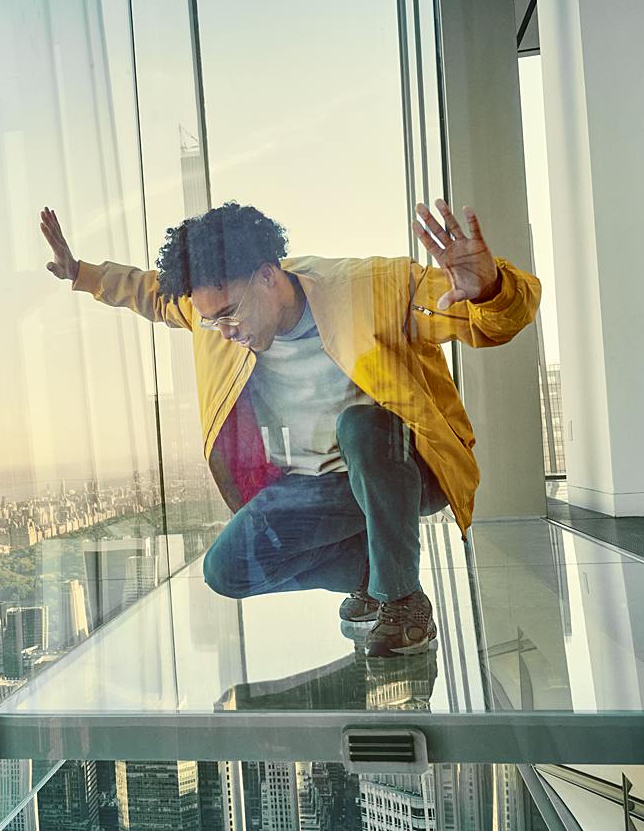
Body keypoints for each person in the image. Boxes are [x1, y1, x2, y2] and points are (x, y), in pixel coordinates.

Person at [40, 199, 540, 657]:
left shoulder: (371, 289)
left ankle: (403, 604)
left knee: (361, 426)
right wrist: (80, 273)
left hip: (403, 467)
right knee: (225, 569)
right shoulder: (215, 318)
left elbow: (490, 321)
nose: (225, 331)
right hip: (316, 487)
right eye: (211, 321)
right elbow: (148, 292)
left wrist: (491, 289)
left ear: (266, 277)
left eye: (229, 314)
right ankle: (379, 573)